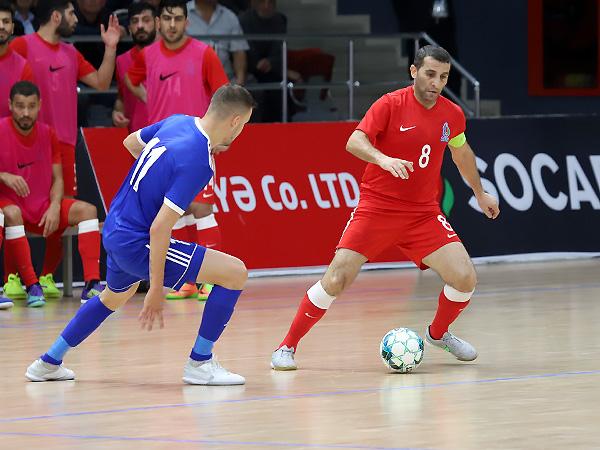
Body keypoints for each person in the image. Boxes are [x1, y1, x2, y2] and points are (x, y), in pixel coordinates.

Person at [271, 45, 500, 370]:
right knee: (336, 279)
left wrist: (480, 193)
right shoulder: (390, 104)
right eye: (430, 74)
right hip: (377, 208)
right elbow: (354, 141)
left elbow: (461, 153)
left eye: (443, 77)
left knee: (464, 278)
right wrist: (383, 159)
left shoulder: (451, 114)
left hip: (422, 214)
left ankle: (438, 334)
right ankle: (286, 346)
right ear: (414, 71)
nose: (436, 83)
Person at [25, 84, 255, 384]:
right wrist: (156, 288)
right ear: (235, 121)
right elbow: (160, 227)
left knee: (112, 298)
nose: (241, 132)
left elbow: (131, 142)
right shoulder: (199, 161)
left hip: (115, 227)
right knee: (235, 273)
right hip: (138, 241)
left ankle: (48, 362)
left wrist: (155, 183)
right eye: (244, 125)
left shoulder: (179, 121)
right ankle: (200, 363)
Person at [126, 0, 228, 301]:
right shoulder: (146, 55)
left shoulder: (204, 53)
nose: (172, 25)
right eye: (167, 18)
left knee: (202, 208)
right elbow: (131, 80)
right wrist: (151, 98)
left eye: (178, 19)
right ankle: (188, 280)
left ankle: (213, 280)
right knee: (175, 211)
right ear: (159, 22)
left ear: (187, 22)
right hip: (163, 149)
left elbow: (224, 96)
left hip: (198, 145)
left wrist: (221, 136)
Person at [0, 81, 103, 307]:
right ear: (10, 105)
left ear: (39, 105)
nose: (25, 113)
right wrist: (4, 175)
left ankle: (92, 283)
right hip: (9, 204)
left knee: (88, 211)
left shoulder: (48, 133)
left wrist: (55, 205)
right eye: (20, 106)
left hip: (43, 204)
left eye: (31, 106)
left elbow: (58, 178)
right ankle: (32, 285)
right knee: (12, 213)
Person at [10, 0, 121, 198]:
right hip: (30, 139)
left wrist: (111, 48)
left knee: (66, 202)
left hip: (66, 142)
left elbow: (101, 83)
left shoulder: (71, 52)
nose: (76, 19)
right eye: (71, 14)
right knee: (30, 201)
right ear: (56, 16)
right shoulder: (21, 45)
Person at [112, 2, 157, 132]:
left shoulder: (172, 58)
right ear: (130, 28)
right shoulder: (121, 61)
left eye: (146, 20)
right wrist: (117, 113)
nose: (140, 26)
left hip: (167, 136)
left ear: (157, 23)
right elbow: (121, 99)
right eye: (135, 21)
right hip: (135, 137)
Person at [186, 0, 249, 85]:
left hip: (224, 83)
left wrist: (240, 81)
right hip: (191, 81)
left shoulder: (229, 17)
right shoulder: (180, 14)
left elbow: (239, 51)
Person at [0, 0, 33, 118]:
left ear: (13, 28)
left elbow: (26, 113)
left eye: (6, 22)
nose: (1, 26)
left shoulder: (23, 66)